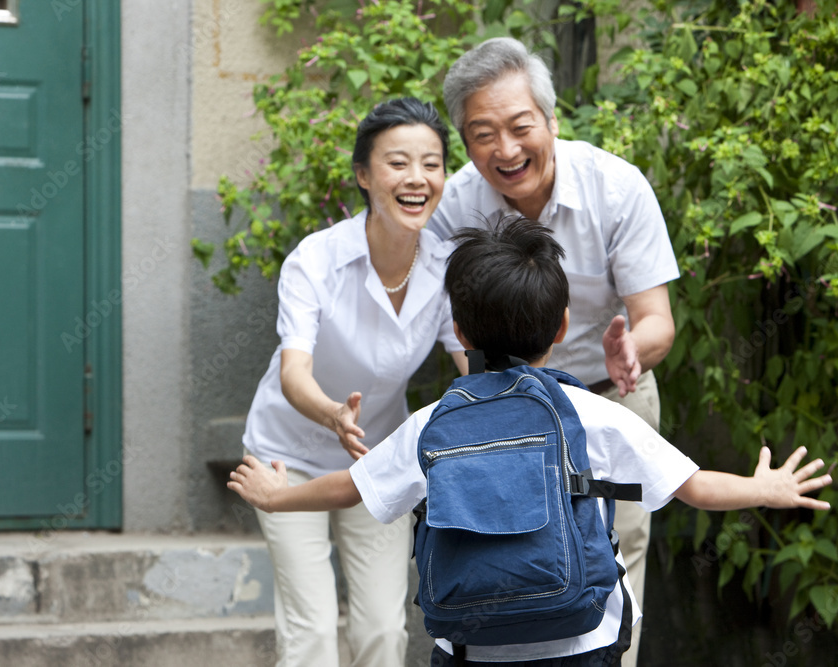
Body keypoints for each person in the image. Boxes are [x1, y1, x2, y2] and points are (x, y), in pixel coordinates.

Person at [228, 218, 833, 666]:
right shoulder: (589, 412)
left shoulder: (435, 420)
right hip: (580, 639)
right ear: (562, 326)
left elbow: (350, 487)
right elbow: (694, 487)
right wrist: (764, 487)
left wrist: (279, 497)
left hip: (470, 643)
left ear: (459, 329)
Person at [428, 37, 679, 666]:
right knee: (504, 553)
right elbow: (453, 324)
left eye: (520, 127)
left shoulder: (615, 188)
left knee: (616, 562)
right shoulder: (455, 203)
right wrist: (484, 397)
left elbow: (655, 321)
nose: (506, 150)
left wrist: (631, 353)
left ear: (551, 120)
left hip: (608, 391)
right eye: (483, 134)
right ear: (464, 142)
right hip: (500, 400)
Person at [241, 97, 468, 667]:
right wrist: (332, 414)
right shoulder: (315, 261)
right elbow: (294, 372)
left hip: (377, 459)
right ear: (364, 176)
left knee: (383, 635)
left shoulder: (444, 269)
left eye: (431, 163)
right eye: (398, 163)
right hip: (284, 458)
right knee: (312, 634)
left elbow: (473, 364)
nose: (417, 178)